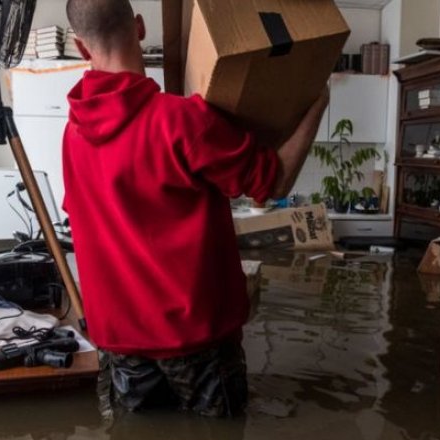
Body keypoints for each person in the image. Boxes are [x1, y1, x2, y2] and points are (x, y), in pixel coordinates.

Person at [63, 0, 328, 418]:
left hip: (121, 345)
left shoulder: (72, 136)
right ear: (140, 27)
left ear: (81, 47)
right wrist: (317, 105)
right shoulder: (183, 120)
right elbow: (272, 184)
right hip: (199, 343)